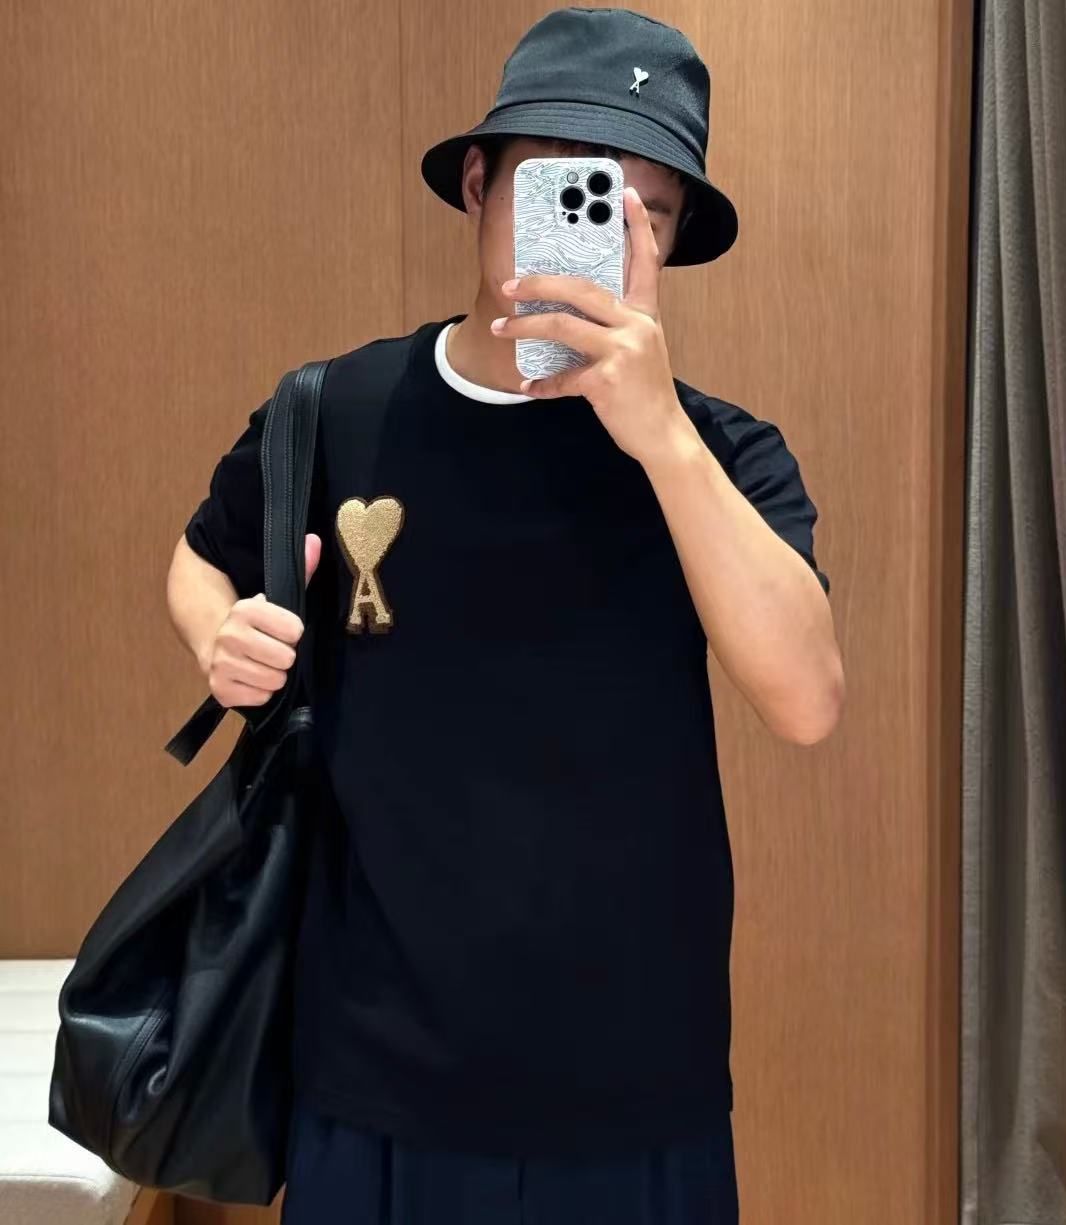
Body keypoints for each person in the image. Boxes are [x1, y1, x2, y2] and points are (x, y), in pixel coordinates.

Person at [166, 7, 844, 1222]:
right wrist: (221, 635)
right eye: (568, 186)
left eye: (645, 212)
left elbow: (806, 700)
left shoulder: (721, 452)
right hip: (370, 1070)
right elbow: (199, 558)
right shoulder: (341, 409)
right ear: (480, 184)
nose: (602, 234)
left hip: (639, 1080)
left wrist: (659, 437)